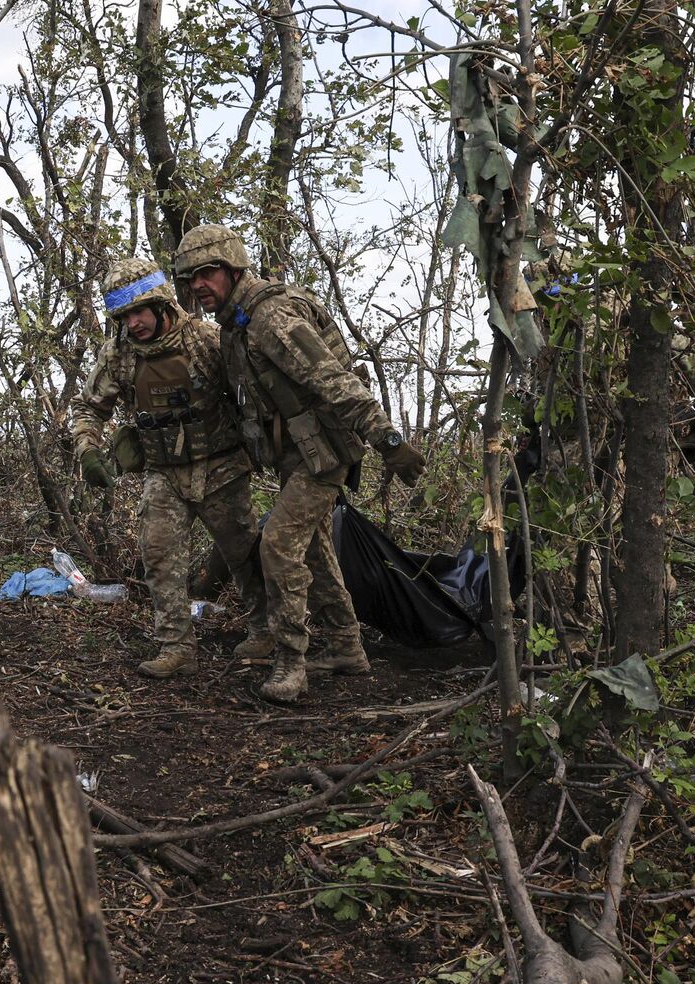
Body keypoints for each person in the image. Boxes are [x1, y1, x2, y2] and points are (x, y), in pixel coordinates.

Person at [171, 225, 426, 703]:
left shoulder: (271, 317)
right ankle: (347, 647)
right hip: (297, 451)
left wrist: (388, 439)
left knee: (278, 545)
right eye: (190, 279)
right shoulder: (235, 325)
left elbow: (334, 381)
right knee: (314, 548)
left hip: (323, 451)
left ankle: (291, 661)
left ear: (232, 268)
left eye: (207, 273)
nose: (198, 286)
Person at [67, 257, 266, 678]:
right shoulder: (119, 354)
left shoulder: (205, 339)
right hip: (164, 471)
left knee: (244, 554)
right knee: (158, 555)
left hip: (221, 466)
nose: (134, 323)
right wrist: (87, 448)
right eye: (124, 316)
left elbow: (251, 391)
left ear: (161, 304)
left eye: (140, 312)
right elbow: (89, 406)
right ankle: (176, 647)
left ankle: (265, 631)